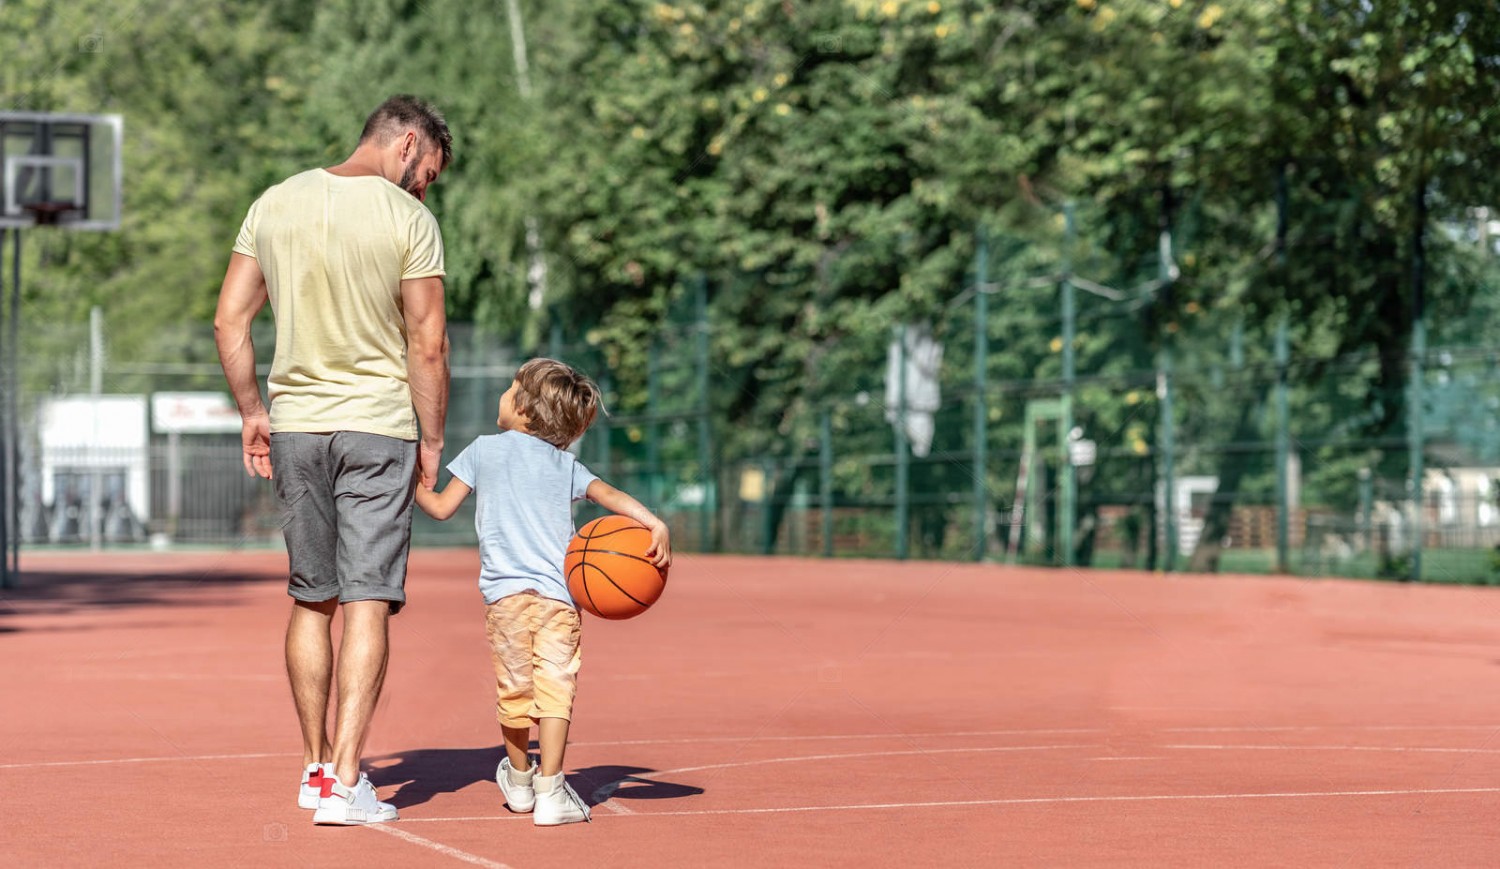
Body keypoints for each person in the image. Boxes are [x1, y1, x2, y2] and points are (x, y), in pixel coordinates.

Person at [213, 95, 453, 826]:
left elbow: (229, 321)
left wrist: (252, 410)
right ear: (407, 143)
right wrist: (432, 439)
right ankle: (348, 782)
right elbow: (428, 341)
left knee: (311, 598)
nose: (424, 189)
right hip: (379, 427)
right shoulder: (408, 219)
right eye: (427, 173)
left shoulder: (273, 203)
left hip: (296, 427)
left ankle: (317, 770)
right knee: (367, 599)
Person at [414, 357, 671, 826]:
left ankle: (519, 781)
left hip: (505, 598)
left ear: (524, 407)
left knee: (513, 690)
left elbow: (439, 508)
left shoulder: (482, 451)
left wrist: (408, 475)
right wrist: (654, 522)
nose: (502, 395)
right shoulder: (565, 464)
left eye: (509, 389)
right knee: (556, 690)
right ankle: (551, 790)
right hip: (559, 598)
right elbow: (610, 496)